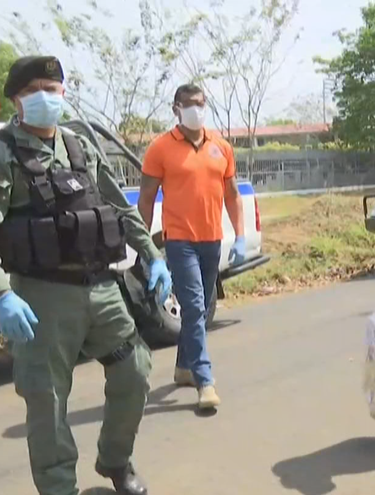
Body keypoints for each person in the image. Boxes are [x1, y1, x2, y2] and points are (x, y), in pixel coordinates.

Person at [0, 56, 171, 495]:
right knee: (47, 400)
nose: (48, 96)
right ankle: (60, 487)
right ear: (17, 99)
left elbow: (116, 206)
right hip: (42, 297)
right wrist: (0, 293)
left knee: (135, 368)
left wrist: (152, 255)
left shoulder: (79, 144)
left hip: (102, 288)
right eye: (36, 88)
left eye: (55, 87)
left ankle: (115, 461)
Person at [139, 83, 245, 410]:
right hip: (179, 240)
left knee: (198, 307)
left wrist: (240, 236)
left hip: (212, 239)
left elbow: (232, 195)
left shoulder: (221, 147)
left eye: (200, 103)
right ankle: (205, 380)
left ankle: (184, 367)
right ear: (176, 108)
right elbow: (145, 199)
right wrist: (146, 249)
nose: (195, 109)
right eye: (189, 104)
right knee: (195, 306)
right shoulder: (160, 148)